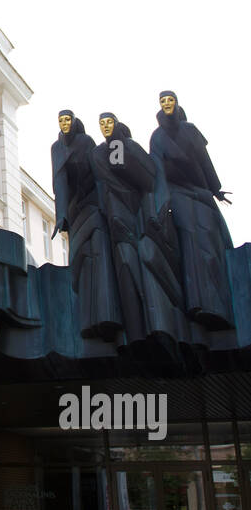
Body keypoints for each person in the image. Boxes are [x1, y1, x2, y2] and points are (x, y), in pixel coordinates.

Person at [90, 112, 185, 344]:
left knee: (142, 267)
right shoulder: (100, 153)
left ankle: (156, 329)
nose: (105, 127)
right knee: (126, 266)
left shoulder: (123, 147)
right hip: (119, 219)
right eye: (101, 124)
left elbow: (147, 179)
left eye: (109, 123)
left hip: (137, 219)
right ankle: (137, 334)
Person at [149, 92, 233, 329]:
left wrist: (216, 189)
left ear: (176, 104)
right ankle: (197, 304)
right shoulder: (156, 138)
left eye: (170, 100)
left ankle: (219, 305)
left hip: (200, 192)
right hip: (177, 194)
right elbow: (158, 173)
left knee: (209, 241)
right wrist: (162, 203)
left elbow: (205, 161)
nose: (167, 104)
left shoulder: (190, 130)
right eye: (163, 101)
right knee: (189, 241)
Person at [51, 109, 122, 339]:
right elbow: (59, 180)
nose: (64, 124)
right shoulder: (57, 148)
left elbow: (100, 173)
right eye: (60, 120)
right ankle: (88, 321)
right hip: (75, 210)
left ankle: (108, 315)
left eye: (67, 120)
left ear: (74, 122)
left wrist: (108, 206)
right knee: (79, 259)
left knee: (99, 255)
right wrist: (61, 214)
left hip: (94, 203)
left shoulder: (86, 141)